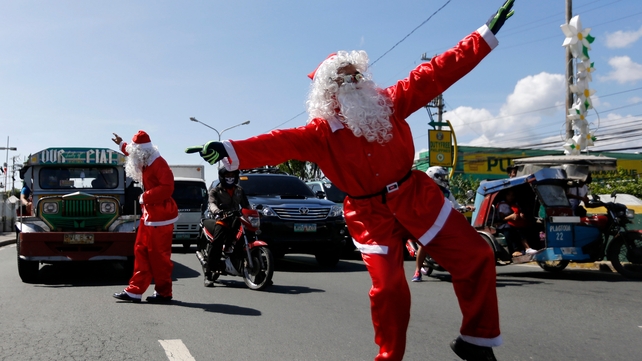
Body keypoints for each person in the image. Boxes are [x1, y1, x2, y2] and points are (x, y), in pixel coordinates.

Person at [186, 2, 514, 359]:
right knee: (389, 289)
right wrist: (229, 146)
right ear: (328, 91)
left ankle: (476, 341)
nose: (352, 81)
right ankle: (389, 357)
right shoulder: (319, 134)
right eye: (342, 78)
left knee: (477, 254)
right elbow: (276, 142)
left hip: (415, 194)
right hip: (369, 213)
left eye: (355, 74)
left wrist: (482, 37)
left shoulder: (389, 102)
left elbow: (436, 72)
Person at [112, 130, 179, 304]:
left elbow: (168, 187)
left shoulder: (158, 163)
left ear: (142, 152)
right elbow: (131, 150)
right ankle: (135, 291)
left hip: (161, 216)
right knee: (140, 251)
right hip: (149, 215)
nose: (131, 157)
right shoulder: (145, 157)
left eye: (134, 153)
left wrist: (145, 197)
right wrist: (121, 144)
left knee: (158, 256)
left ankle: (164, 292)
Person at [411, 166, 475, 282]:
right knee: (424, 243)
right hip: (429, 222)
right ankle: (417, 271)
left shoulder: (446, 192)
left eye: (444, 176)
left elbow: (455, 205)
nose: (444, 179)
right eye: (441, 176)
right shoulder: (425, 190)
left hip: (444, 221)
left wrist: (466, 207)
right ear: (433, 177)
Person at [201, 167, 251, 287]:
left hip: (237, 219)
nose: (230, 178)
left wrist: (254, 212)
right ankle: (208, 273)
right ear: (222, 177)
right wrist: (217, 211)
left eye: (232, 175)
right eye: (227, 176)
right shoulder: (215, 191)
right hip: (222, 219)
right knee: (217, 241)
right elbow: (211, 203)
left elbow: (246, 205)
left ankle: (260, 274)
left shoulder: (239, 190)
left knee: (250, 235)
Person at [496, 189, 537, 256]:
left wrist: (521, 215)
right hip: (504, 225)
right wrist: (511, 217)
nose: (510, 197)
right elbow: (502, 219)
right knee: (512, 229)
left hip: (515, 223)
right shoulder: (502, 205)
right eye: (509, 195)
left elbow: (519, 212)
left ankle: (528, 248)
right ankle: (516, 250)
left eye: (512, 195)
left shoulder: (515, 204)